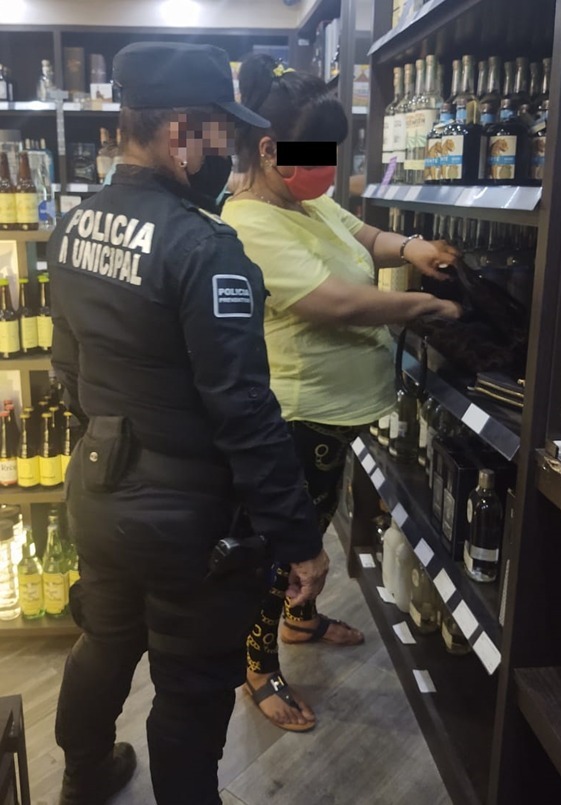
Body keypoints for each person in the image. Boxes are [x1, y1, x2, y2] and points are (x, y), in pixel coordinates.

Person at [48, 42, 329, 805]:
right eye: (218, 134)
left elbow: (66, 369)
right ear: (180, 133)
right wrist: (299, 536)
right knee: (190, 684)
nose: (224, 153)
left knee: (104, 641)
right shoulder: (206, 248)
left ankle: (82, 776)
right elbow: (245, 411)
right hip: (190, 525)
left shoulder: (73, 226)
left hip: (98, 492)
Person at [221, 54, 461, 733]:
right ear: (268, 149)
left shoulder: (306, 200)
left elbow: (365, 235)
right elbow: (332, 302)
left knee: (315, 521)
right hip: (298, 415)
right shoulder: (249, 222)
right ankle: (257, 664)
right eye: (316, 152)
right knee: (284, 544)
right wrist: (423, 307)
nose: (327, 166)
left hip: (336, 412)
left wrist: (409, 247)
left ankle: (300, 620)